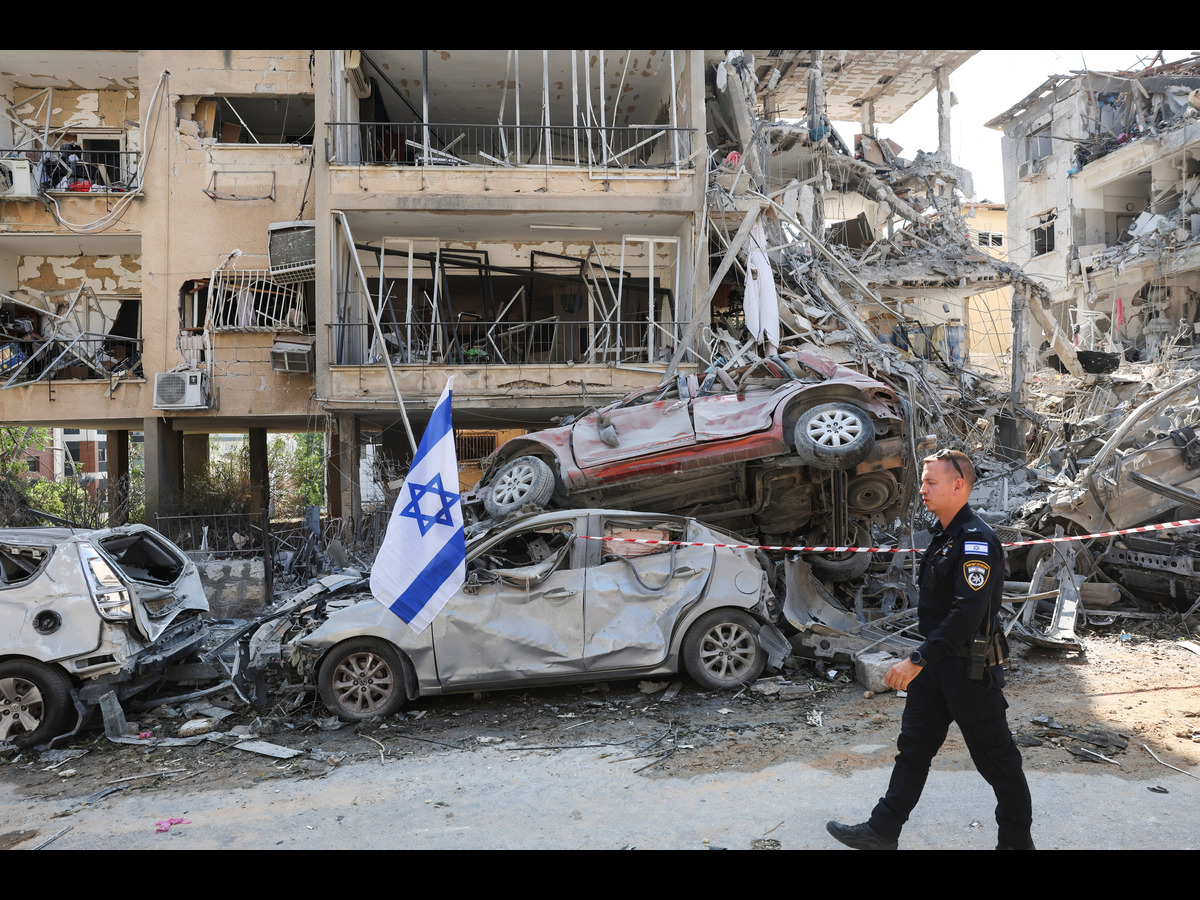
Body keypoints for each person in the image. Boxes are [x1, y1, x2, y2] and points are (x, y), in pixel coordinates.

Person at [826, 449, 1033, 850]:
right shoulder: (944, 536)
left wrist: (917, 659)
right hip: (935, 667)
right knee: (913, 750)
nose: (922, 489)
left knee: (998, 761)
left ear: (958, 486)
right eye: (922, 481)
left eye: (931, 482)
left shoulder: (976, 540)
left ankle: (1016, 842)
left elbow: (966, 614)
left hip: (969, 670)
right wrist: (924, 661)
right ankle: (882, 831)